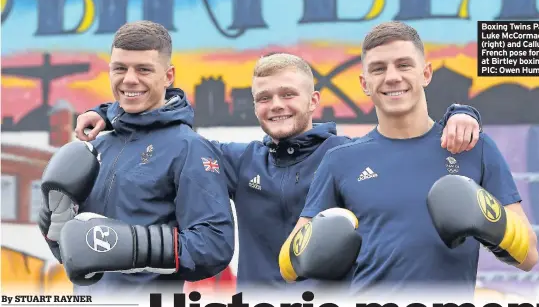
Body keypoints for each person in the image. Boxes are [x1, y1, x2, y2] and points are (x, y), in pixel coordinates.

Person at [74, 52, 483, 292]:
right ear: (254, 106)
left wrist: (461, 114)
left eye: (289, 94)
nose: (277, 105)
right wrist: (109, 112)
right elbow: (170, 131)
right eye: (264, 98)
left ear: (314, 100)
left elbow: (408, 142)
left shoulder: (349, 155)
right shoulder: (236, 159)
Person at [281, 21, 539, 299]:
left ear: (426, 73)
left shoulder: (473, 146)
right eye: (378, 69)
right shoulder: (340, 160)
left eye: (404, 65)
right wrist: (316, 247)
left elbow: (530, 256)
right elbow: (289, 264)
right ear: (364, 83)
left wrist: (489, 222)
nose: (392, 77)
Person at [39, 21, 235, 296]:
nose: (129, 79)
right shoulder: (97, 146)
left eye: (144, 69)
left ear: (168, 76)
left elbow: (214, 246)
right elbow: (73, 253)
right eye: (119, 68)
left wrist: (133, 245)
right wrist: (53, 220)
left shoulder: (189, 148)